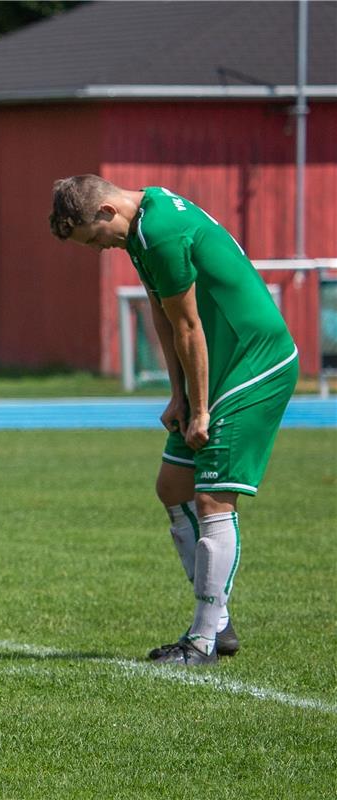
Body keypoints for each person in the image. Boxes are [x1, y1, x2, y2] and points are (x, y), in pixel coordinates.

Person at [50, 176, 298, 666]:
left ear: (104, 211)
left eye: (97, 238)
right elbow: (165, 318)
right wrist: (178, 394)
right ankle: (219, 625)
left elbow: (189, 325)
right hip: (218, 367)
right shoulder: (145, 223)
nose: (101, 249)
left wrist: (202, 409)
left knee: (211, 498)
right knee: (173, 487)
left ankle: (203, 640)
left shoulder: (159, 232)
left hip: (253, 362)